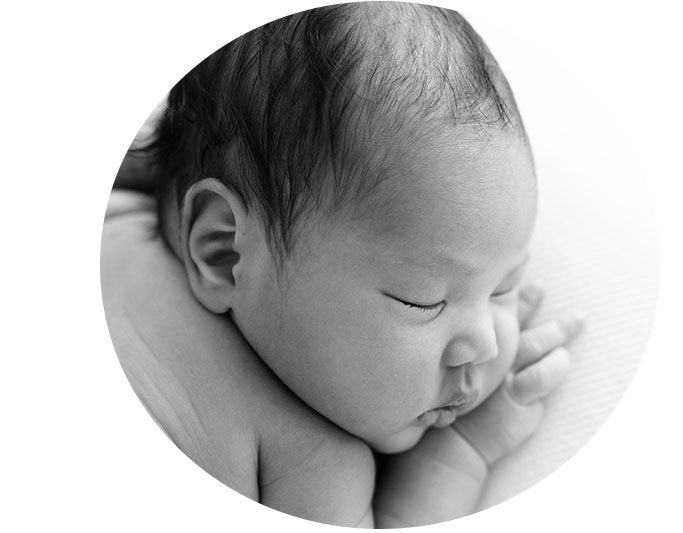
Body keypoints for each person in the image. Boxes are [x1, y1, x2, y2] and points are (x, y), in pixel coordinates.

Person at [101, 3, 582, 527]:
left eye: (502, 289)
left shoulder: (115, 217)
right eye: (422, 299)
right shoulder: (314, 465)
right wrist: (457, 456)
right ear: (224, 252)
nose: (488, 344)